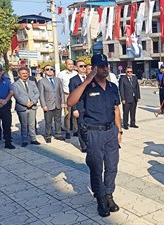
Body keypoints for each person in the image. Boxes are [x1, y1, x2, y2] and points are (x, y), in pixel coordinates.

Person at [67, 54, 122, 217]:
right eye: (101, 66)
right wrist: (86, 81)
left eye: (107, 65)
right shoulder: (86, 87)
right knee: (97, 168)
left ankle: (109, 195)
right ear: (94, 68)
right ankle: (100, 199)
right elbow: (70, 102)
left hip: (111, 131)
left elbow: (116, 109)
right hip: (94, 133)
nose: (105, 68)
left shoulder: (113, 87)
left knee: (112, 167)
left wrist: (119, 131)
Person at [13, 67, 41, 147]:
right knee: (24, 125)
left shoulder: (32, 82)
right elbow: (17, 96)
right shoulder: (15, 84)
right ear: (19, 74)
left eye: (26, 73)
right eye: (23, 73)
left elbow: (37, 93)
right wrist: (25, 103)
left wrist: (33, 102)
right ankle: (24, 140)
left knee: (32, 124)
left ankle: (33, 139)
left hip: (32, 106)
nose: (25, 75)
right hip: (22, 107)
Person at [38, 64, 66, 143]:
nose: (50, 70)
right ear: (45, 71)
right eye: (47, 69)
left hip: (58, 103)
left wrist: (63, 102)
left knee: (58, 120)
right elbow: (41, 94)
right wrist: (43, 105)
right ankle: (48, 135)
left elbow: (61, 92)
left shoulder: (57, 80)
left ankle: (58, 134)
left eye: (51, 69)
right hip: (48, 105)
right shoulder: (41, 81)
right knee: (48, 121)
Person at [69, 60, 88, 152]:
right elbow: (72, 96)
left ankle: (90, 143)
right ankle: (83, 145)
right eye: (81, 66)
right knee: (81, 127)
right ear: (76, 68)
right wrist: (74, 109)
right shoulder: (73, 80)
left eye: (85, 66)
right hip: (80, 107)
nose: (83, 68)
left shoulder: (91, 78)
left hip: (90, 107)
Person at [57, 59, 78, 139]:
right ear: (66, 65)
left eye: (72, 64)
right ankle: (67, 131)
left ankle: (76, 130)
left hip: (75, 95)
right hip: (66, 95)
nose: (71, 66)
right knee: (67, 115)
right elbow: (59, 86)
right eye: (69, 64)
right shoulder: (61, 74)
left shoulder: (76, 73)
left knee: (75, 114)